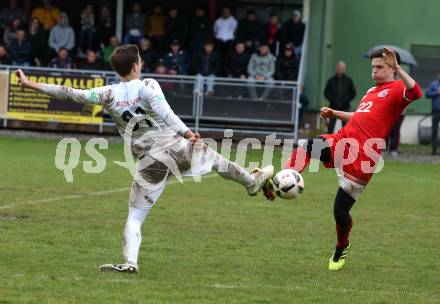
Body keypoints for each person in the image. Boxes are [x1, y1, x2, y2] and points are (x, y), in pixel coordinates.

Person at [15, 44, 274, 273]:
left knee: (135, 218)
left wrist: (30, 85)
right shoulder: (148, 84)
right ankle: (251, 183)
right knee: (215, 159)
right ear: (136, 64)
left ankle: (130, 262)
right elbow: (165, 111)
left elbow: (70, 93)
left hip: (149, 163)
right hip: (176, 149)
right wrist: (186, 131)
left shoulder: (108, 93)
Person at [264, 48, 423, 271]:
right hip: (343, 140)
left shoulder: (398, 89)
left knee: (340, 212)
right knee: (309, 145)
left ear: (392, 69)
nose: (374, 71)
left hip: (362, 156)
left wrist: (398, 68)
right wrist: (335, 114)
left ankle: (341, 246)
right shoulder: (371, 91)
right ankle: (283, 178)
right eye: (373, 67)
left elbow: (417, 93)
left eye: (380, 67)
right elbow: (361, 116)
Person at [323, 61, 357, 133]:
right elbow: (326, 93)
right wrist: (332, 99)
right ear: (337, 68)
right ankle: (328, 142)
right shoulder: (331, 80)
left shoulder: (348, 80)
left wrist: (346, 100)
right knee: (330, 127)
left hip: (345, 107)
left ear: (344, 69)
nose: (340, 69)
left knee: (346, 127)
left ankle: (345, 142)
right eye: (339, 68)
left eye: (342, 68)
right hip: (333, 107)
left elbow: (353, 93)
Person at [425, 72, 440, 155]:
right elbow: (427, 94)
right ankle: (434, 150)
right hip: (436, 112)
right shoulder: (434, 84)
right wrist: (436, 93)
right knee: (435, 130)